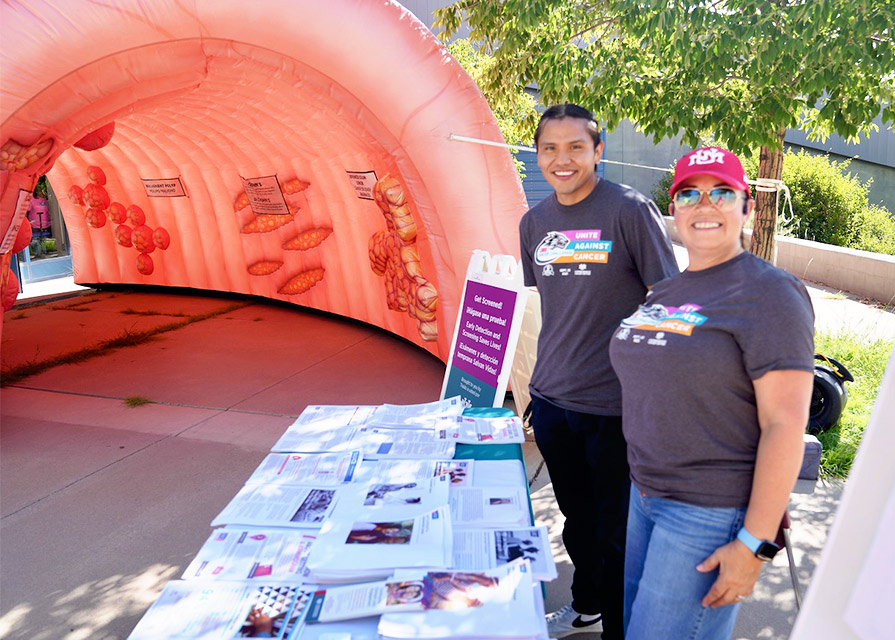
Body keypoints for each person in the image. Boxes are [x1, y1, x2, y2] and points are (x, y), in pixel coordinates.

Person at [608, 147, 815, 639]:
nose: (705, 204)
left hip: (706, 510)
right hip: (644, 496)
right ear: (673, 208)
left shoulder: (770, 293)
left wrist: (753, 545)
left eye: (722, 192)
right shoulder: (666, 291)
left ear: (747, 207)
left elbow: (785, 424)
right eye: (690, 193)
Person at [519, 104, 679, 639]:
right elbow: (558, 307)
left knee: (617, 532)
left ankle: (620, 627)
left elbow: (668, 300)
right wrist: (532, 390)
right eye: (549, 148)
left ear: (598, 152)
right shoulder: (534, 223)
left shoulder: (629, 212)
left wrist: (653, 390)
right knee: (577, 521)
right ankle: (587, 606)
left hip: (614, 406)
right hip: (553, 401)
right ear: (537, 154)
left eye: (575, 147)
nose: (561, 160)